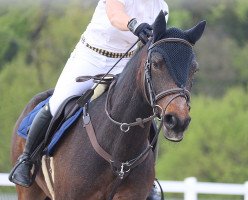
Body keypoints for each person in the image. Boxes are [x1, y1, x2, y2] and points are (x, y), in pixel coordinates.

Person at [10, 0, 169, 198]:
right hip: (90, 58)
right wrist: (135, 25)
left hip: (124, 65)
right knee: (58, 102)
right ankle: (27, 161)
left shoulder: (161, 8)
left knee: (144, 117)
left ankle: (148, 180)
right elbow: (116, 17)